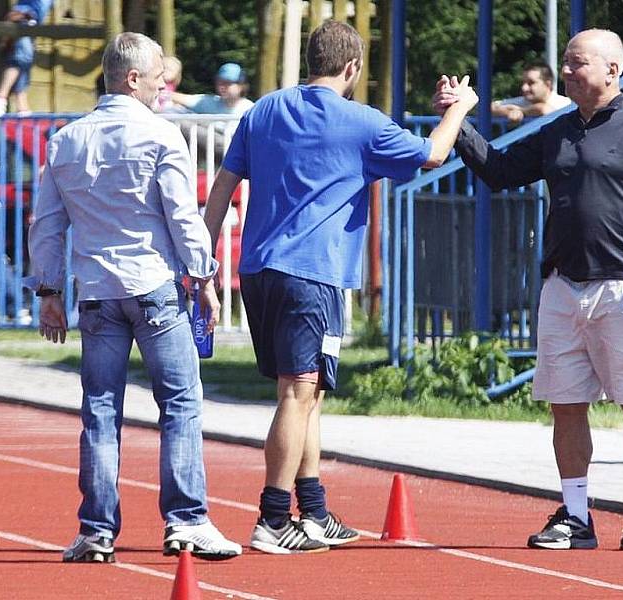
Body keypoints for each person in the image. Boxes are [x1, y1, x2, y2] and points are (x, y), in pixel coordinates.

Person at [203, 20, 477, 555]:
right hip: (313, 272)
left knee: (309, 394)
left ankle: (314, 510)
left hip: (259, 269)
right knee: (297, 392)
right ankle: (274, 516)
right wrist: (459, 108)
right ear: (352, 68)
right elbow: (433, 154)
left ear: (311, 61)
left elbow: (223, 185)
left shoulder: (264, 110)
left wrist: (205, 257)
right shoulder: (361, 122)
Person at [434, 29, 623, 551]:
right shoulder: (559, 131)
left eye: (577, 63)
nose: (569, 71)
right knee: (565, 403)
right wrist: (458, 118)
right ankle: (576, 516)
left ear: (612, 70)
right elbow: (500, 171)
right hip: (563, 285)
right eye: (566, 63)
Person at [26, 32, 242, 563]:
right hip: (153, 289)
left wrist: (48, 289)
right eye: (158, 78)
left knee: (100, 410)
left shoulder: (65, 140)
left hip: (96, 293)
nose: (165, 87)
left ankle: (97, 530)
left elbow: (47, 225)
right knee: (181, 404)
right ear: (132, 78)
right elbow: (182, 217)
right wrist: (205, 278)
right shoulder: (160, 135)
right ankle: (186, 521)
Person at [0, 1, 54, 116]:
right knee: (22, 58)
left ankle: (21, 103)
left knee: (24, 61)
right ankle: (1, 97)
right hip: (24, 17)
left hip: (31, 22)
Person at [490, 61, 571, 125]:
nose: (524, 88)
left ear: (548, 84)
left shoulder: (565, 104)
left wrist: (522, 111)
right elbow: (488, 108)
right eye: (524, 83)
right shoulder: (522, 101)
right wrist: (508, 112)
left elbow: (544, 109)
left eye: (531, 83)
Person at [171, 62, 254, 116]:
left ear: (241, 86)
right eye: (219, 82)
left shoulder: (250, 109)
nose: (221, 86)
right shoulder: (209, 102)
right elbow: (181, 98)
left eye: (227, 83)